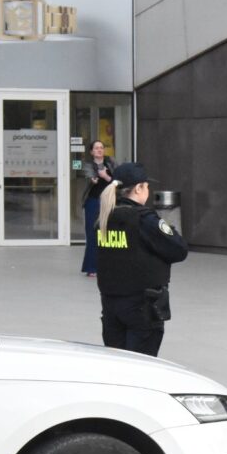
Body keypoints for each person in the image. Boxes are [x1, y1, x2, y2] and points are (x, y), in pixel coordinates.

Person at [96, 162, 188, 357]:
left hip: (111, 306)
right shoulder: (144, 219)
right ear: (138, 188)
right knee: (140, 367)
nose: (148, 190)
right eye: (146, 186)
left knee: (116, 365)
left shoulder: (104, 218)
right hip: (142, 308)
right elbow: (179, 249)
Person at [79, 140, 114, 276]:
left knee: (108, 233)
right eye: (96, 148)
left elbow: (117, 180)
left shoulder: (110, 162)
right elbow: (89, 176)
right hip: (93, 202)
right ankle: (91, 268)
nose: (99, 150)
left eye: (101, 147)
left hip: (109, 201)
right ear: (91, 152)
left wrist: (106, 176)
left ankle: (107, 266)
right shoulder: (88, 165)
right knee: (93, 233)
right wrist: (93, 179)